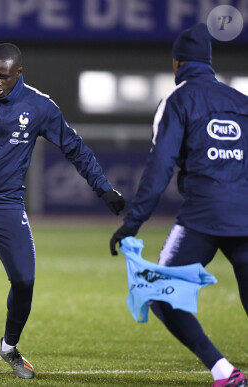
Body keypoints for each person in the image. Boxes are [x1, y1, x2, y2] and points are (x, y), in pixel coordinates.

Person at [0, 42, 125, 379]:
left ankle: (9, 347)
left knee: (25, 280)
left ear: (18, 74)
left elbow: (75, 148)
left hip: (6, 203)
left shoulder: (39, 106)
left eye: (2, 76)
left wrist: (104, 189)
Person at [110, 23, 248, 387]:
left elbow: (159, 170)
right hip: (246, 216)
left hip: (202, 217)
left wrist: (132, 224)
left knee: (156, 291)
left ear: (177, 64)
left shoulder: (178, 100)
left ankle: (224, 372)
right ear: (209, 62)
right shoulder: (242, 103)